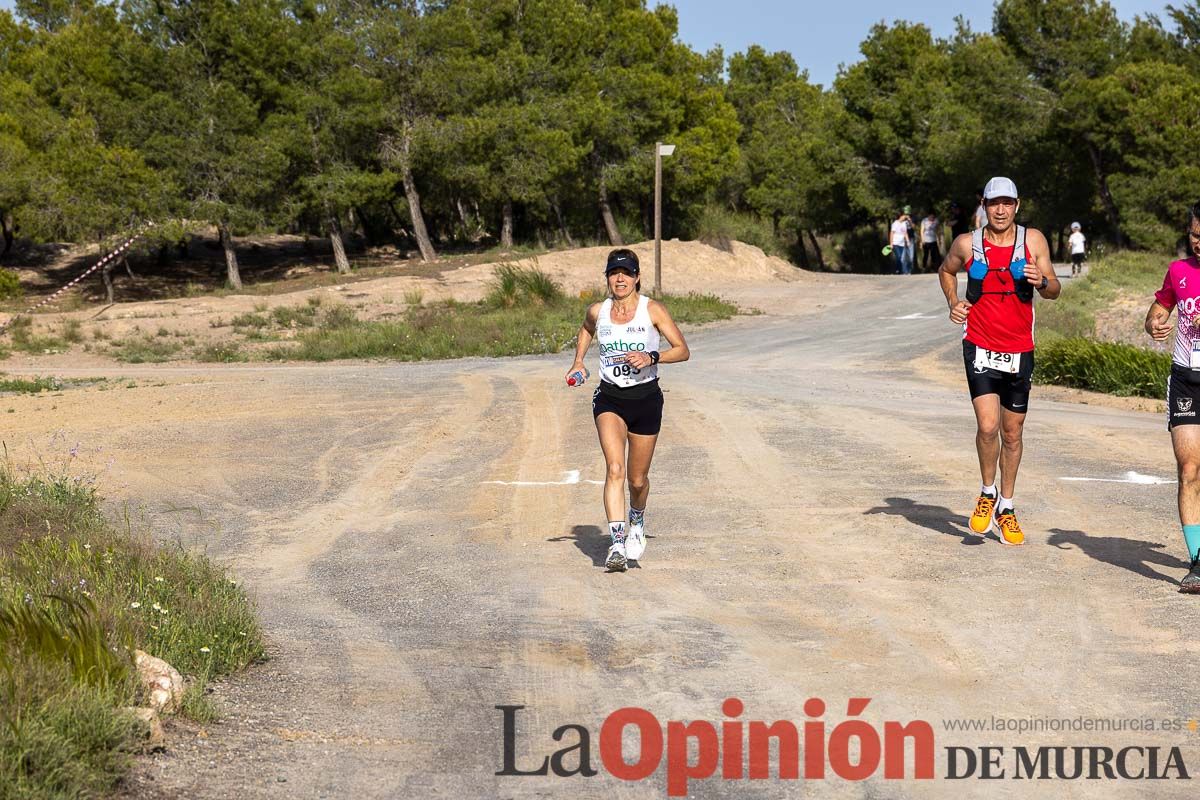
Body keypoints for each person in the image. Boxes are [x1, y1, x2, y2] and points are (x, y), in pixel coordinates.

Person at [937, 177, 1060, 545]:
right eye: (994, 203)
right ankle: (986, 492)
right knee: (988, 427)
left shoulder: (1032, 241)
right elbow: (946, 270)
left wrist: (1042, 281)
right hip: (979, 344)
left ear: (1017, 205)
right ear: (984, 205)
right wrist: (953, 302)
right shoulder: (967, 244)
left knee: (1012, 432)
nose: (1001, 210)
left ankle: (1006, 507)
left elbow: (1054, 289)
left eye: (1007, 203)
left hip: (1020, 348)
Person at [566, 249, 690, 572]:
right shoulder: (599, 311)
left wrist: (652, 357)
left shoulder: (653, 310)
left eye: (626, 272)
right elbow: (586, 329)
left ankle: (637, 518)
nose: (619, 278)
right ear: (607, 278)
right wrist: (579, 361)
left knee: (636, 480)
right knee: (615, 470)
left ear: (636, 277)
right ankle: (617, 545)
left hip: (646, 400)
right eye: (613, 273)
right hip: (610, 400)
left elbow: (683, 350)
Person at [1143, 202, 1200, 592]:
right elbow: (1161, 306)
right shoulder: (1179, 272)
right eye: (1196, 235)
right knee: (1189, 469)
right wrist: (1153, 322)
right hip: (1185, 381)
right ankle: (1197, 561)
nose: (1199, 243)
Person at [889, 210, 912, 275]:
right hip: (895, 243)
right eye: (904, 215)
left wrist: (907, 241)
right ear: (901, 216)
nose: (905, 216)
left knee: (901, 258)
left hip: (902, 244)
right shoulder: (895, 223)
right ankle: (898, 270)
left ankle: (899, 271)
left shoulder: (904, 223)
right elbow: (891, 233)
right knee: (899, 257)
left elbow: (905, 233)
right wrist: (891, 243)